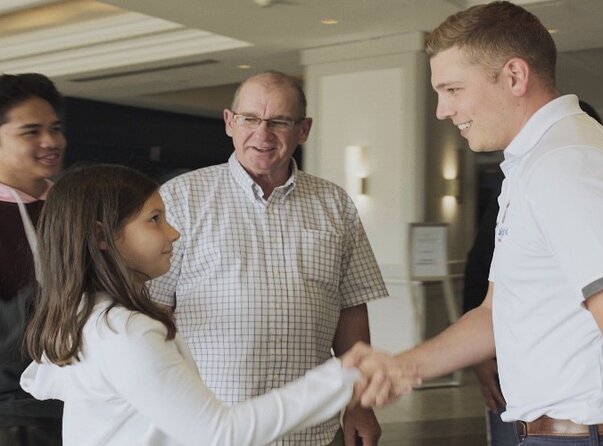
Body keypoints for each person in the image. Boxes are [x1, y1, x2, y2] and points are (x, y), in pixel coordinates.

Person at [396, 2, 603, 445]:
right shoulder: (534, 164)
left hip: (594, 437)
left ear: (514, 77)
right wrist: (402, 367)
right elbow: (496, 312)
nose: (442, 111)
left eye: (452, 89)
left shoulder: (570, 166)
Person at [19, 164, 418, 446]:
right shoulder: (126, 331)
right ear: (103, 237)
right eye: (154, 219)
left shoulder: (85, 314)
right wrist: (343, 377)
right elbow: (219, 434)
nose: (173, 233)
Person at [150, 71, 388, 446]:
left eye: (279, 121)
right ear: (230, 122)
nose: (262, 134)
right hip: (212, 427)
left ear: (304, 129)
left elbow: (351, 308)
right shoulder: (180, 199)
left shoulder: (335, 204)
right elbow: (154, 311)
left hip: (312, 429)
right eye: (250, 119)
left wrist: (360, 402)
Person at [463, 101, 603, 446]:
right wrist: (479, 355)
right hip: (522, 391)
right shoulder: (513, 192)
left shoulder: (599, 199)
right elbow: (483, 280)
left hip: (586, 407)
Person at [0, 73, 65, 446]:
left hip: (85, 404)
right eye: (31, 132)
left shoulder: (76, 208)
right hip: (15, 417)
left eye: (55, 128)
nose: (50, 142)